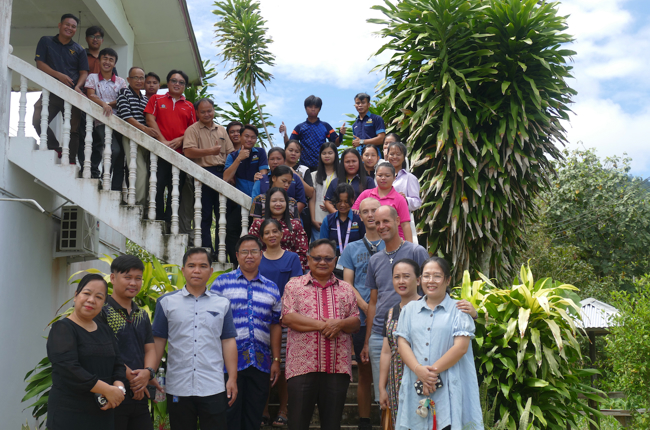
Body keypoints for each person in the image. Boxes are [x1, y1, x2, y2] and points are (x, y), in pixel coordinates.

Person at [379, 259, 477, 429]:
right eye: (426, 276)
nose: (431, 281)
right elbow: (402, 344)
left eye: (437, 276)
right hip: (415, 386)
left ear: (447, 280)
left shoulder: (460, 310)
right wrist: (419, 371)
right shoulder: (409, 310)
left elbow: (461, 347)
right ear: (420, 280)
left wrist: (429, 375)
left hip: (447, 386)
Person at [152, 248, 238, 430]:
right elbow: (158, 341)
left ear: (211, 271)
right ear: (183, 270)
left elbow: (228, 341)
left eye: (202, 266)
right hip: (178, 386)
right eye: (191, 266)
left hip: (213, 385)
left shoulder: (222, 303)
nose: (196, 270)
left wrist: (232, 378)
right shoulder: (166, 303)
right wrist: (150, 372)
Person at [281, 239, 361, 430]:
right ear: (308, 258)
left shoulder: (346, 289)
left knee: (332, 424)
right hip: (302, 367)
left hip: (337, 367)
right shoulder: (294, 286)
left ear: (335, 260)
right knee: (297, 423)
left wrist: (340, 323)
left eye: (328, 258)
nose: (322, 262)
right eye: (317, 258)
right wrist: (325, 325)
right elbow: (288, 318)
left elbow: (356, 322)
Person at [211, 235, 282, 430]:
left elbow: (276, 324)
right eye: (244, 252)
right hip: (227, 364)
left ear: (261, 255)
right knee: (229, 415)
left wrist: (276, 360)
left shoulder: (272, 288)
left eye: (254, 252)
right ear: (237, 255)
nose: (249, 256)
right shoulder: (221, 283)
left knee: (254, 416)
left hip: (260, 362)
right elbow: (210, 322)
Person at [361, 205, 429, 404]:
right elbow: (373, 301)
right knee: (385, 400)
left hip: (415, 331)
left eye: (386, 221)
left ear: (398, 221)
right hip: (381, 335)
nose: (381, 226)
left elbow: (431, 288)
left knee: (415, 397)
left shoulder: (416, 252)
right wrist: (368, 340)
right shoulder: (375, 260)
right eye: (377, 222)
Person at [46, 274, 127, 430]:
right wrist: (107, 390)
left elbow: (118, 363)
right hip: (70, 414)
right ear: (76, 296)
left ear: (103, 303)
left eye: (98, 297)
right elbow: (69, 369)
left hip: (103, 411)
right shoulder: (63, 329)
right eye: (87, 293)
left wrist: (118, 389)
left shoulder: (105, 330)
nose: (91, 300)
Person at [97, 255, 162, 430]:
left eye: (138, 278)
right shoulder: (102, 312)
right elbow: (106, 351)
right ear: (113, 278)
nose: (133, 283)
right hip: (112, 393)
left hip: (139, 395)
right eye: (127, 277)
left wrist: (148, 373)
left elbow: (150, 349)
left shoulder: (141, 314)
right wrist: (136, 380)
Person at [338, 197, 385, 430]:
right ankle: (365, 421)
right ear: (360, 216)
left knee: (390, 372)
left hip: (389, 319)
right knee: (365, 371)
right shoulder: (351, 248)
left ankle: (391, 419)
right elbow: (347, 285)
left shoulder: (392, 245)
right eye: (365, 211)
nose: (369, 214)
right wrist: (367, 308)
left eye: (373, 210)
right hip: (361, 318)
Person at [257, 218, 303, 427]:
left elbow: (295, 289)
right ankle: (263, 409)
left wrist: (283, 311)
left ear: (282, 234)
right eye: (267, 232)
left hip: (285, 321)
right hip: (260, 322)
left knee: (285, 368)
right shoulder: (257, 259)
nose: (272, 235)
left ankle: (284, 409)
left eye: (275, 231)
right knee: (262, 366)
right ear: (262, 237)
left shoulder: (292, 258)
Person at [33, 13, 89, 164]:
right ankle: (54, 147)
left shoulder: (79, 50)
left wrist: (78, 86)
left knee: (73, 130)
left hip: (72, 94)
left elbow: (84, 72)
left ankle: (70, 160)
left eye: (73, 27)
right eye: (67, 25)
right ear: (60, 25)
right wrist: (59, 75)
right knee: (38, 120)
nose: (70, 28)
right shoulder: (46, 41)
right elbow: (40, 63)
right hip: (51, 91)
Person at [145, 70, 196, 230]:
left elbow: (192, 129)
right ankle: (158, 218)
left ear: (185, 86)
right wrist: (162, 141)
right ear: (168, 83)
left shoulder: (189, 106)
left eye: (181, 82)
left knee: (176, 190)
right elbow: (149, 118)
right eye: (174, 80)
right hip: (159, 151)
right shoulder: (156, 98)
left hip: (179, 155)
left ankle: (169, 221)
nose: (177, 84)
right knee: (157, 185)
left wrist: (180, 140)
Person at [183, 98, 235, 253]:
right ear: (197, 112)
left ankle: (222, 251)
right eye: (203, 111)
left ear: (214, 110)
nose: (207, 114)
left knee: (222, 216)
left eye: (210, 110)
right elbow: (188, 152)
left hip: (223, 174)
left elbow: (230, 153)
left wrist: (231, 174)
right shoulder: (192, 130)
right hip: (203, 175)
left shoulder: (221, 130)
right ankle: (207, 250)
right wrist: (209, 151)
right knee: (204, 215)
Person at [378, 259, 421, 429]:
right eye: (396, 277)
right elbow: (386, 352)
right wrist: (382, 387)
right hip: (397, 382)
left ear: (418, 280)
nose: (401, 281)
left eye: (406, 276)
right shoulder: (390, 313)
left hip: (423, 380)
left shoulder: (429, 307)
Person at [224, 124, 269, 263]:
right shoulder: (232, 156)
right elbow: (225, 178)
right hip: (240, 205)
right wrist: (239, 159)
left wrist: (259, 176)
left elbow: (264, 175)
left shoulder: (260, 152)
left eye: (253, 137)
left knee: (258, 236)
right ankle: (235, 262)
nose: (249, 139)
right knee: (231, 230)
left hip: (258, 205)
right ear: (241, 137)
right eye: (246, 136)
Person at [85, 48, 127, 189]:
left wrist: (107, 104)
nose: (107, 62)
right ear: (99, 60)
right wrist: (103, 104)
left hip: (118, 122)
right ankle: (104, 174)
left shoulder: (121, 81)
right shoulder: (92, 77)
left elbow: (122, 99)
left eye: (111, 59)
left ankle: (107, 176)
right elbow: (91, 94)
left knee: (119, 154)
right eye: (105, 58)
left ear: (115, 64)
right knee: (113, 150)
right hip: (100, 121)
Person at [117, 66, 160, 205]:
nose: (139, 80)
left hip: (145, 140)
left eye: (141, 78)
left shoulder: (145, 99)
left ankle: (145, 204)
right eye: (135, 77)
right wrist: (144, 129)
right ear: (128, 79)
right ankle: (137, 204)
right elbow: (126, 116)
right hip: (131, 136)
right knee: (140, 172)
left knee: (147, 172)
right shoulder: (124, 92)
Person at [249, 187, 309, 272]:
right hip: (262, 268)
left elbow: (302, 252)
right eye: (274, 201)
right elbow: (251, 248)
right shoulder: (258, 224)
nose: (278, 204)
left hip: (289, 268)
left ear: (286, 203)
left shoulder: (295, 225)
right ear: (268, 203)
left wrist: (295, 271)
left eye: (281, 201)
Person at [279, 95, 345, 170]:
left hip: (321, 167)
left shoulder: (325, 126)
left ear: (319, 109)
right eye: (310, 107)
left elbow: (336, 144)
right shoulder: (300, 127)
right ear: (305, 109)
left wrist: (341, 134)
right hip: (303, 167)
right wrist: (284, 134)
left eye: (316, 107)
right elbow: (290, 146)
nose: (313, 109)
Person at [352, 163, 413, 242]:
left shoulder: (400, 199)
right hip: (370, 241)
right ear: (375, 176)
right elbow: (354, 211)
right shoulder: (366, 194)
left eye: (387, 176)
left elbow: (405, 224)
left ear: (394, 178)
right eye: (380, 175)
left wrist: (410, 248)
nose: (383, 178)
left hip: (394, 242)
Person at [251, 148, 307, 213]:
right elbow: (254, 202)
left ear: (285, 160)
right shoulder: (260, 178)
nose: (275, 162)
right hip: (265, 218)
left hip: (291, 218)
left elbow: (301, 201)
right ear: (268, 161)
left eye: (278, 159)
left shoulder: (295, 177)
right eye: (272, 159)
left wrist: (287, 217)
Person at [387, 141, 421, 244]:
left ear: (404, 156)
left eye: (398, 154)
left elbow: (417, 202)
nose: (395, 157)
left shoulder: (409, 178)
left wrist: (405, 199)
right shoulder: (381, 176)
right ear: (387, 155)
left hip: (403, 222)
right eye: (392, 154)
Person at [320, 183, 364, 258]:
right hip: (333, 259)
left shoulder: (359, 219)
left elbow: (364, 243)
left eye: (346, 202)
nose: (342, 205)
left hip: (355, 257)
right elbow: (323, 244)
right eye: (339, 201)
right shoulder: (328, 220)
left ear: (352, 200)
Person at [323, 148, 374, 214]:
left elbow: (373, 200)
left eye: (354, 161)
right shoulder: (335, 182)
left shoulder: (368, 180)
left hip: (361, 219)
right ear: (342, 163)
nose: (351, 164)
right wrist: (338, 214)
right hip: (339, 221)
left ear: (359, 161)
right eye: (347, 162)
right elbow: (328, 201)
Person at [285, 139, 315, 235]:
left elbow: (310, 193)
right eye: (290, 150)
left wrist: (295, 174)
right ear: (284, 150)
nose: (293, 153)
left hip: (302, 213)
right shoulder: (278, 167)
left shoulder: (304, 169)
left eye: (297, 152)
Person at [310, 142, 338, 241]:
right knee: (318, 247)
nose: (327, 156)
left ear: (335, 154)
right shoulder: (314, 175)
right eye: (324, 153)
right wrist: (313, 219)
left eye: (330, 153)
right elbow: (312, 199)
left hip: (335, 215)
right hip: (318, 216)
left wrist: (331, 206)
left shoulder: (340, 175)